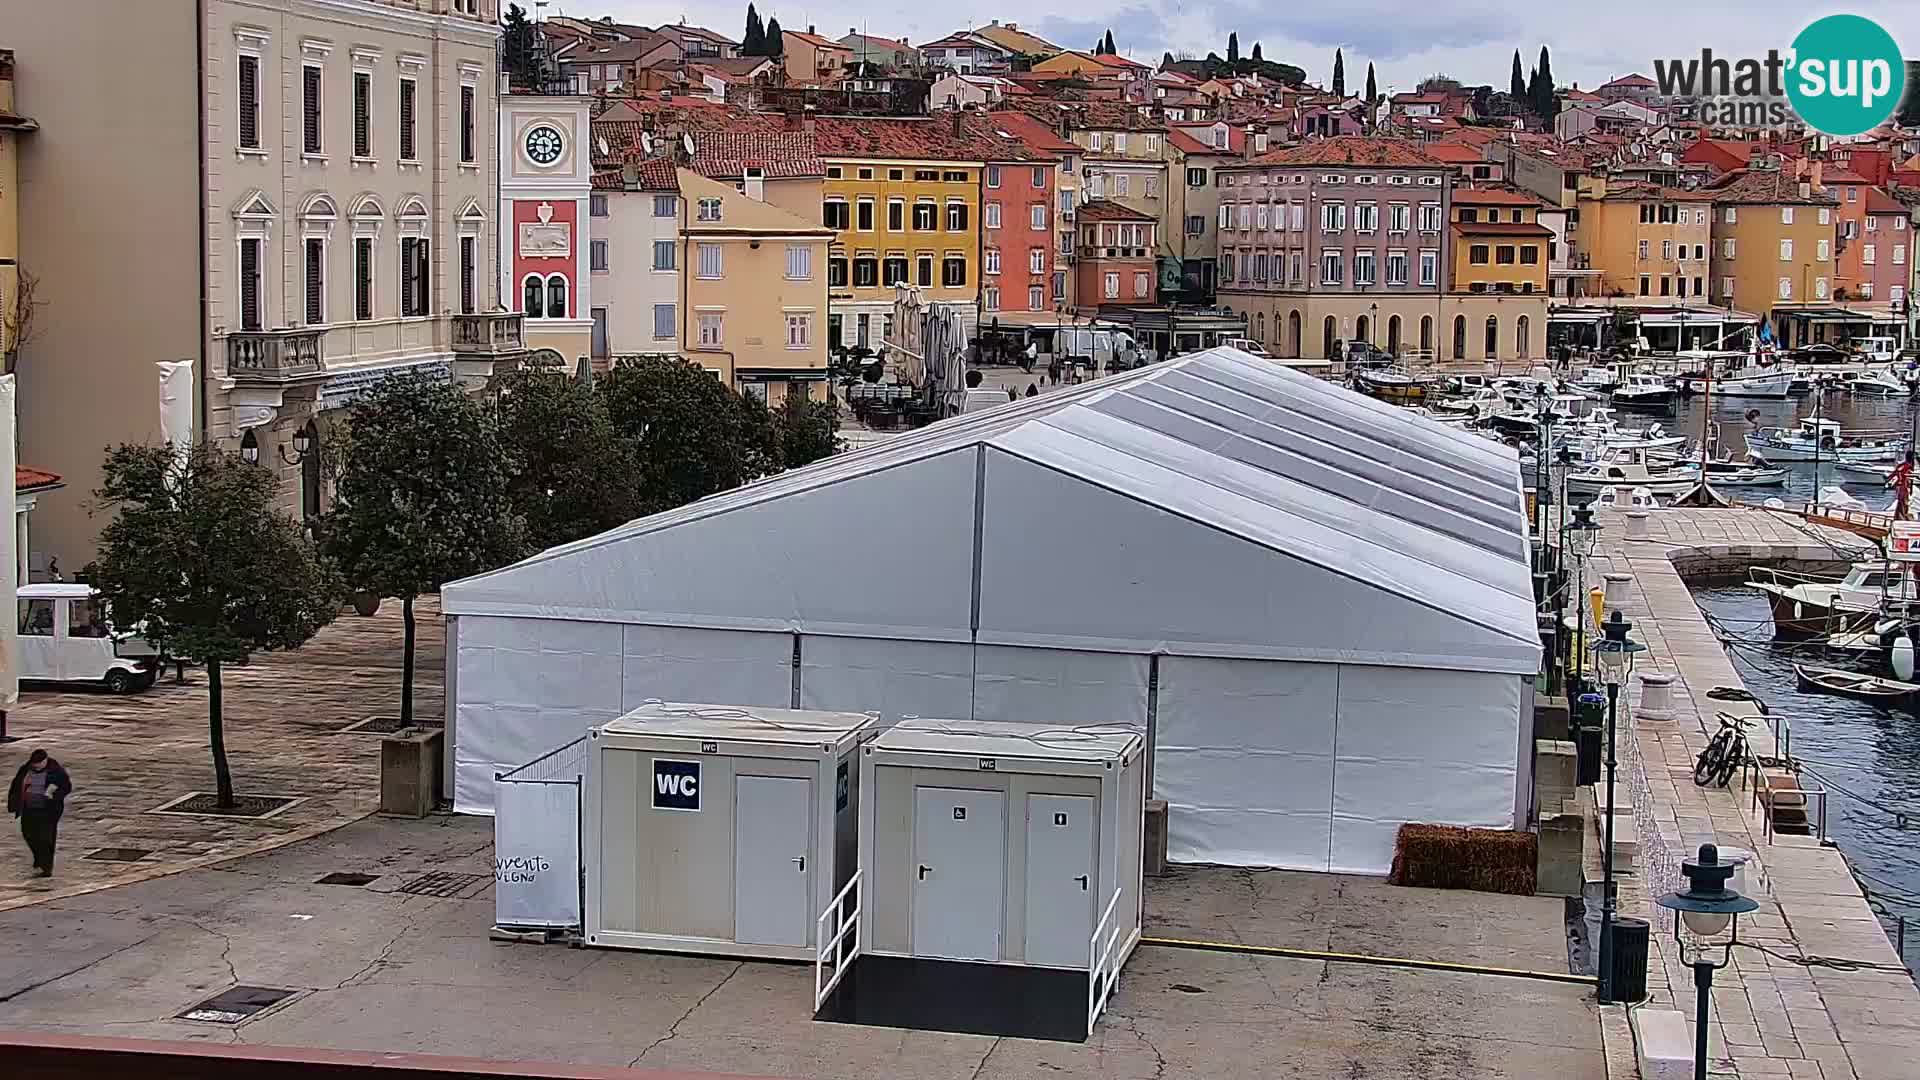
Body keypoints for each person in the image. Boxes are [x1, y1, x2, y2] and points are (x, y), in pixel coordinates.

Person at [9, 750, 72, 878]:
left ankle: (46, 867)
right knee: (28, 834)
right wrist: (14, 802)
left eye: (39, 764)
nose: (36, 766)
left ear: (45, 761)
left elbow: (66, 787)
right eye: (34, 764)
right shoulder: (26, 769)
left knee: (46, 839)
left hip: (47, 811)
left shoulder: (56, 771)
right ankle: (38, 857)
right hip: (29, 809)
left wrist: (54, 795)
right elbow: (16, 785)